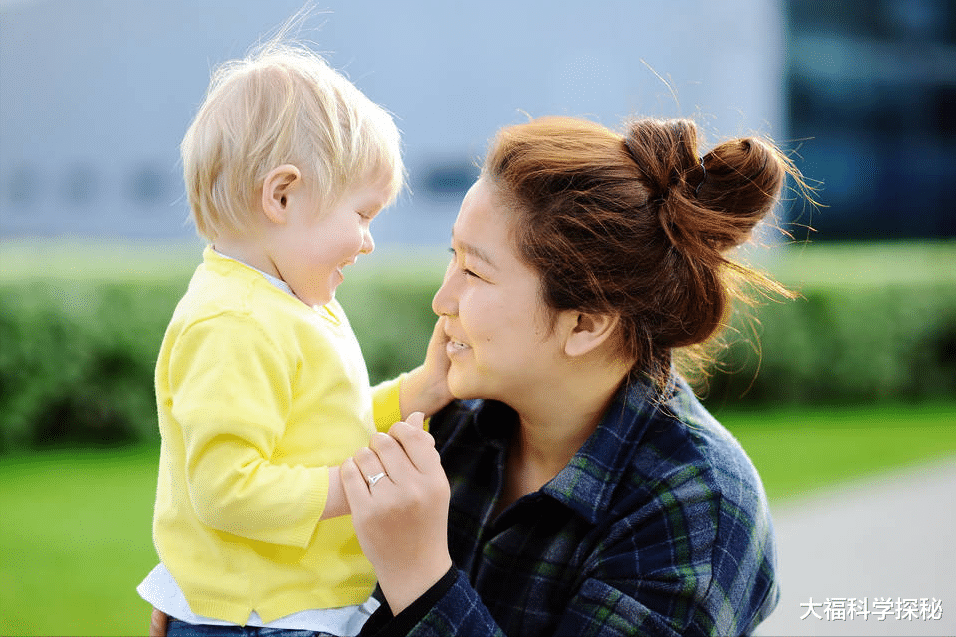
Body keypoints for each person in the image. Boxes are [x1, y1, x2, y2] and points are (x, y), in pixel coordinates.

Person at [336, 115, 804, 636]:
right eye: (454, 255)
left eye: (474, 271)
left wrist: (421, 580)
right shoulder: (447, 423)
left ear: (585, 323)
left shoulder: (696, 508)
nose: (442, 300)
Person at [137, 35, 450, 636]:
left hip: (284, 607)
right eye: (361, 215)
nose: (368, 241)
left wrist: (419, 391)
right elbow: (225, 490)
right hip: (259, 617)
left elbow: (325, 422)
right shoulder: (234, 323)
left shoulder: (284, 303)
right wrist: (358, 489)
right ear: (282, 195)